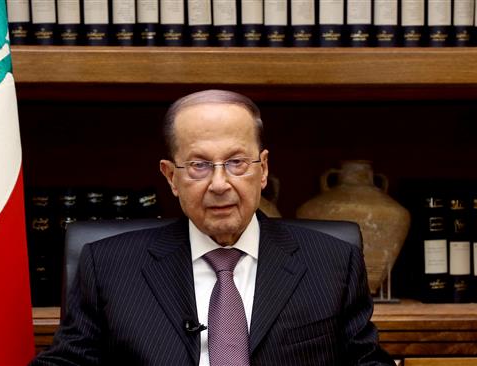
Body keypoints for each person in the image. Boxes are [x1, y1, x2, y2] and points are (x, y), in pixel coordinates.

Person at [31, 90, 394, 365]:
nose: (220, 184)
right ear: (171, 177)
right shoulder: (109, 266)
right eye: (199, 166)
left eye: (236, 162)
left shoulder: (332, 262)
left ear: (263, 170)